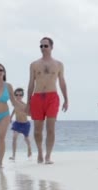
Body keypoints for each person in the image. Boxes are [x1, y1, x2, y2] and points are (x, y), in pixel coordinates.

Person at [26, 36, 68, 164]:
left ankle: (48, 156)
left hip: (52, 97)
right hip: (37, 97)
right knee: (37, 130)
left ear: (51, 47)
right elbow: (31, 84)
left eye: (45, 46)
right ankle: (40, 152)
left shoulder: (59, 64)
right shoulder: (34, 64)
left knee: (51, 128)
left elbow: (62, 82)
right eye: (41, 46)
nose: (43, 48)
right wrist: (28, 102)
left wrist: (66, 99)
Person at [9, 87, 32, 161]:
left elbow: (30, 114)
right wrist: (11, 116)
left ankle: (29, 148)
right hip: (17, 123)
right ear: (14, 95)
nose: (18, 96)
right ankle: (13, 155)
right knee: (14, 137)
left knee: (26, 139)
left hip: (25, 124)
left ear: (22, 96)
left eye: (20, 95)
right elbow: (14, 109)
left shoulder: (25, 105)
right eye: (17, 95)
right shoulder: (15, 103)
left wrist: (27, 112)